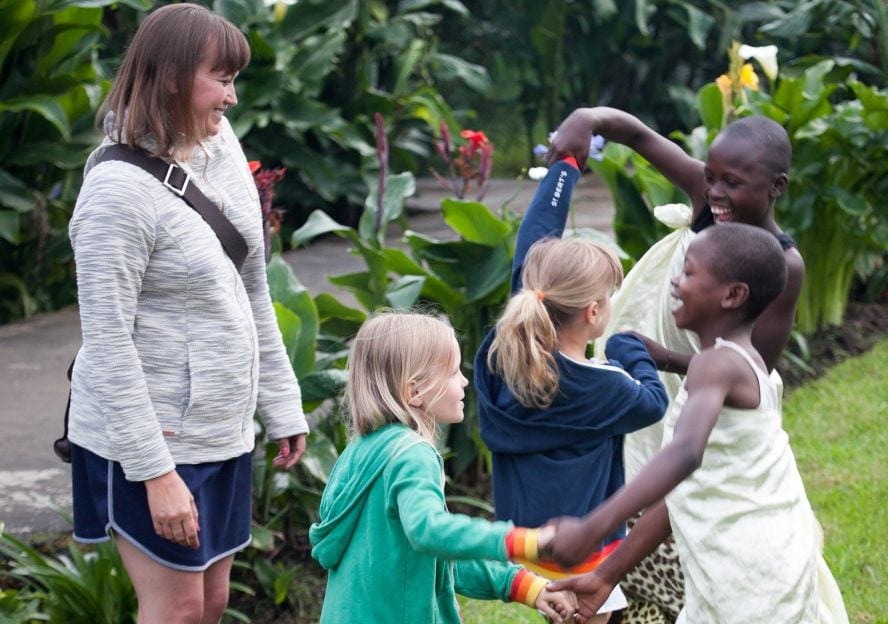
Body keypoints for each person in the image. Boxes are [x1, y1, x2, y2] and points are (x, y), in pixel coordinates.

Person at [66, 4, 310, 623]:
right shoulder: (117, 193)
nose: (231, 98)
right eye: (220, 80)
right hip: (150, 443)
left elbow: (250, 280)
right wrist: (155, 474)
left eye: (235, 80)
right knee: (174, 610)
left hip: (220, 431)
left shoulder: (217, 142)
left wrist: (280, 405)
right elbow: (108, 342)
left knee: (211, 603)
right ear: (173, 78)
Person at [548, 108, 805, 622]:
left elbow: (693, 448)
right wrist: (586, 119)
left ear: (776, 186)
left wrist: (593, 527)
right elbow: (637, 132)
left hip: (738, 556)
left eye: (688, 272)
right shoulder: (711, 203)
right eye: (710, 178)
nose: (715, 191)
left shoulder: (772, 285)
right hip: (662, 403)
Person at [539, 223, 848, 623]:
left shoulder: (716, 365)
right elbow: (679, 493)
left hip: (750, 578)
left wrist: (592, 527)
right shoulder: (740, 360)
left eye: (688, 272)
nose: (674, 283)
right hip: (746, 570)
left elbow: (684, 454)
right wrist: (604, 576)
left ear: (733, 295)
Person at [474, 157, 670, 623]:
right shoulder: (603, 386)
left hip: (527, 536)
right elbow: (654, 402)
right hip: (583, 543)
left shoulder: (505, 357)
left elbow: (535, 235)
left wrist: (565, 168)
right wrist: (627, 347)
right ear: (594, 312)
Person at [309, 312, 577, 624]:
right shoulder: (412, 455)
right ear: (414, 392)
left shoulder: (359, 453)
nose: (464, 381)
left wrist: (525, 586)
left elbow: (437, 555)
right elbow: (430, 532)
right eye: (452, 373)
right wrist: (525, 541)